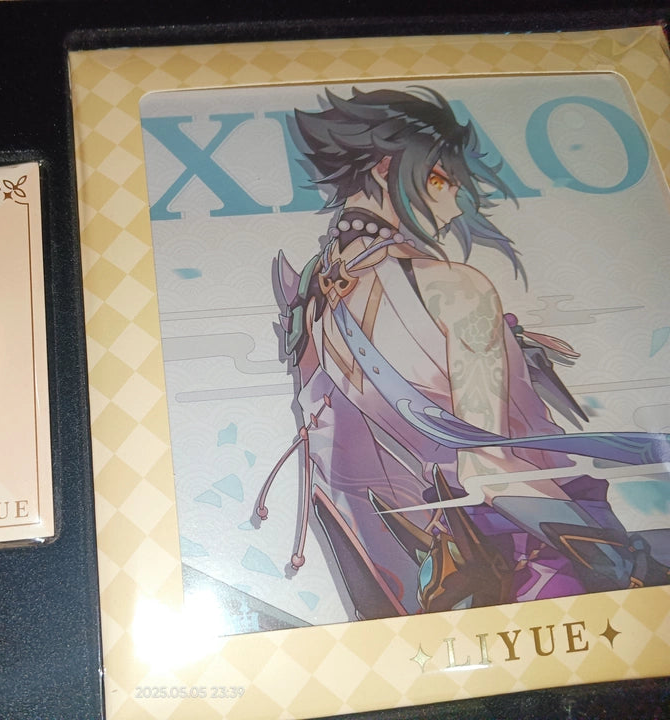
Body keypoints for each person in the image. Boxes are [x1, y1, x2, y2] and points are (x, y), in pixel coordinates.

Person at [258, 87, 670, 618]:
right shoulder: (455, 289)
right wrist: (622, 560)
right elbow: (488, 471)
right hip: (527, 563)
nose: (455, 205)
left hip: (421, 583)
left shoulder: (311, 301)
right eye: (440, 179)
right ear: (385, 167)